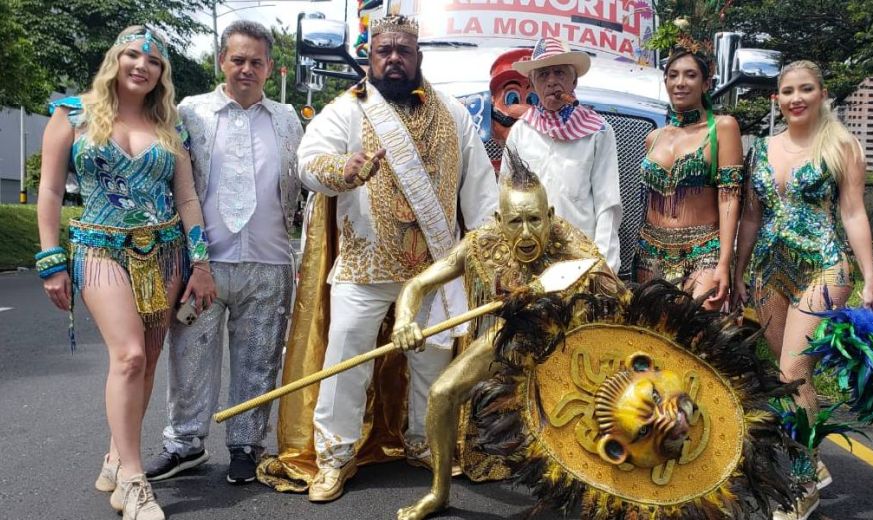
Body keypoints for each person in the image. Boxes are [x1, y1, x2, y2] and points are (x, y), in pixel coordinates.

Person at [293, 14, 498, 502]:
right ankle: (335, 456)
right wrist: (344, 168)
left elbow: (481, 193)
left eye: (403, 51)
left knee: (432, 361)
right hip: (365, 263)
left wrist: (490, 251)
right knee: (346, 359)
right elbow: (307, 162)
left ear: (418, 56)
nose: (394, 59)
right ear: (371, 56)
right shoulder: (346, 111)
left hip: (435, 267)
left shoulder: (453, 114)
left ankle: (427, 442)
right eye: (384, 51)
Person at [37, 26, 214, 520]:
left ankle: (118, 458)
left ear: (162, 73)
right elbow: (50, 190)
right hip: (98, 248)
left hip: (165, 252)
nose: (142, 66)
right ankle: (135, 482)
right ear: (116, 59)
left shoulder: (170, 125)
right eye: (132, 55)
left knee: (148, 361)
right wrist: (51, 260)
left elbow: (187, 198)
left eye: (153, 61)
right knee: (130, 355)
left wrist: (201, 262)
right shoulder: (73, 113)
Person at [392, 149, 618, 520]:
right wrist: (404, 320)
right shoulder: (483, 242)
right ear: (500, 220)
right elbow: (417, 285)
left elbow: (621, 301)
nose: (526, 233)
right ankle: (438, 492)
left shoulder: (577, 248)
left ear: (550, 217)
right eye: (515, 222)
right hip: (511, 331)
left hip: (567, 337)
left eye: (534, 220)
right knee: (441, 393)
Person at [142, 21, 304, 485]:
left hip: (269, 261)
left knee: (259, 360)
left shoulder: (288, 118)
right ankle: (185, 443)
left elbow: (308, 175)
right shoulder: (191, 112)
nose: (246, 69)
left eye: (256, 62)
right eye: (238, 59)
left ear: (270, 68)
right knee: (189, 359)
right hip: (202, 266)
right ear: (222, 61)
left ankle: (245, 445)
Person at [733, 60, 873, 520]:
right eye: (788, 91)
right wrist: (738, 271)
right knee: (787, 378)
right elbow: (751, 218)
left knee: (793, 371)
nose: (796, 98)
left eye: (806, 90)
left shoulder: (841, 146)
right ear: (777, 98)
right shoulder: (760, 151)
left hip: (823, 267)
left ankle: (801, 483)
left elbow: (854, 213)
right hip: (768, 271)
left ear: (821, 93)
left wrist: (870, 276)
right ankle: (811, 460)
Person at [501, 37, 622, 274]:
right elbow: (505, 196)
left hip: (581, 260)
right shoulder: (521, 132)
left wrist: (604, 267)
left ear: (574, 80)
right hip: (531, 258)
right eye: (543, 75)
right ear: (532, 83)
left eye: (560, 73)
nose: (552, 81)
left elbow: (608, 205)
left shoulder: (598, 131)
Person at [637, 46, 743, 310]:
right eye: (673, 75)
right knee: (654, 338)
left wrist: (724, 262)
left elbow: (729, 197)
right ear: (665, 82)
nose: (680, 83)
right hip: (650, 252)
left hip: (703, 251)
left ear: (706, 83)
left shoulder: (723, 127)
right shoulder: (654, 137)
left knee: (700, 334)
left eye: (690, 75)